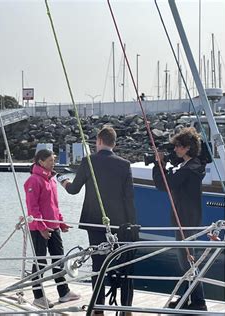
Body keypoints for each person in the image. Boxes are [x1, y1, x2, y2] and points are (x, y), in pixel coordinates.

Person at [60, 126, 137, 315]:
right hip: (120, 223)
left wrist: (62, 180)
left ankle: (98, 308)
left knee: (98, 265)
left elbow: (74, 189)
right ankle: (126, 308)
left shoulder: (89, 161)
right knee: (123, 265)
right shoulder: (124, 164)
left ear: (99, 141)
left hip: (95, 221)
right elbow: (129, 198)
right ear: (114, 143)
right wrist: (133, 224)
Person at [152, 127, 208, 311]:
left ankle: (198, 301)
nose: (175, 149)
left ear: (186, 148)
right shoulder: (193, 167)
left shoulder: (187, 170)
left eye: (178, 146)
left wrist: (158, 165)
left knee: (186, 261)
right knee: (188, 260)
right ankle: (187, 298)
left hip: (184, 220)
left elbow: (163, 185)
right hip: (189, 219)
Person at [24, 149, 80, 309]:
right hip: (38, 228)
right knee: (40, 262)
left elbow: (54, 206)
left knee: (59, 259)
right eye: (50, 161)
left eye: (53, 160)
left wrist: (61, 223)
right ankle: (38, 297)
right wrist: (42, 227)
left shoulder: (51, 180)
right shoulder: (33, 180)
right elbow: (32, 208)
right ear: (40, 162)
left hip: (53, 226)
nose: (53, 163)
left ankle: (64, 293)